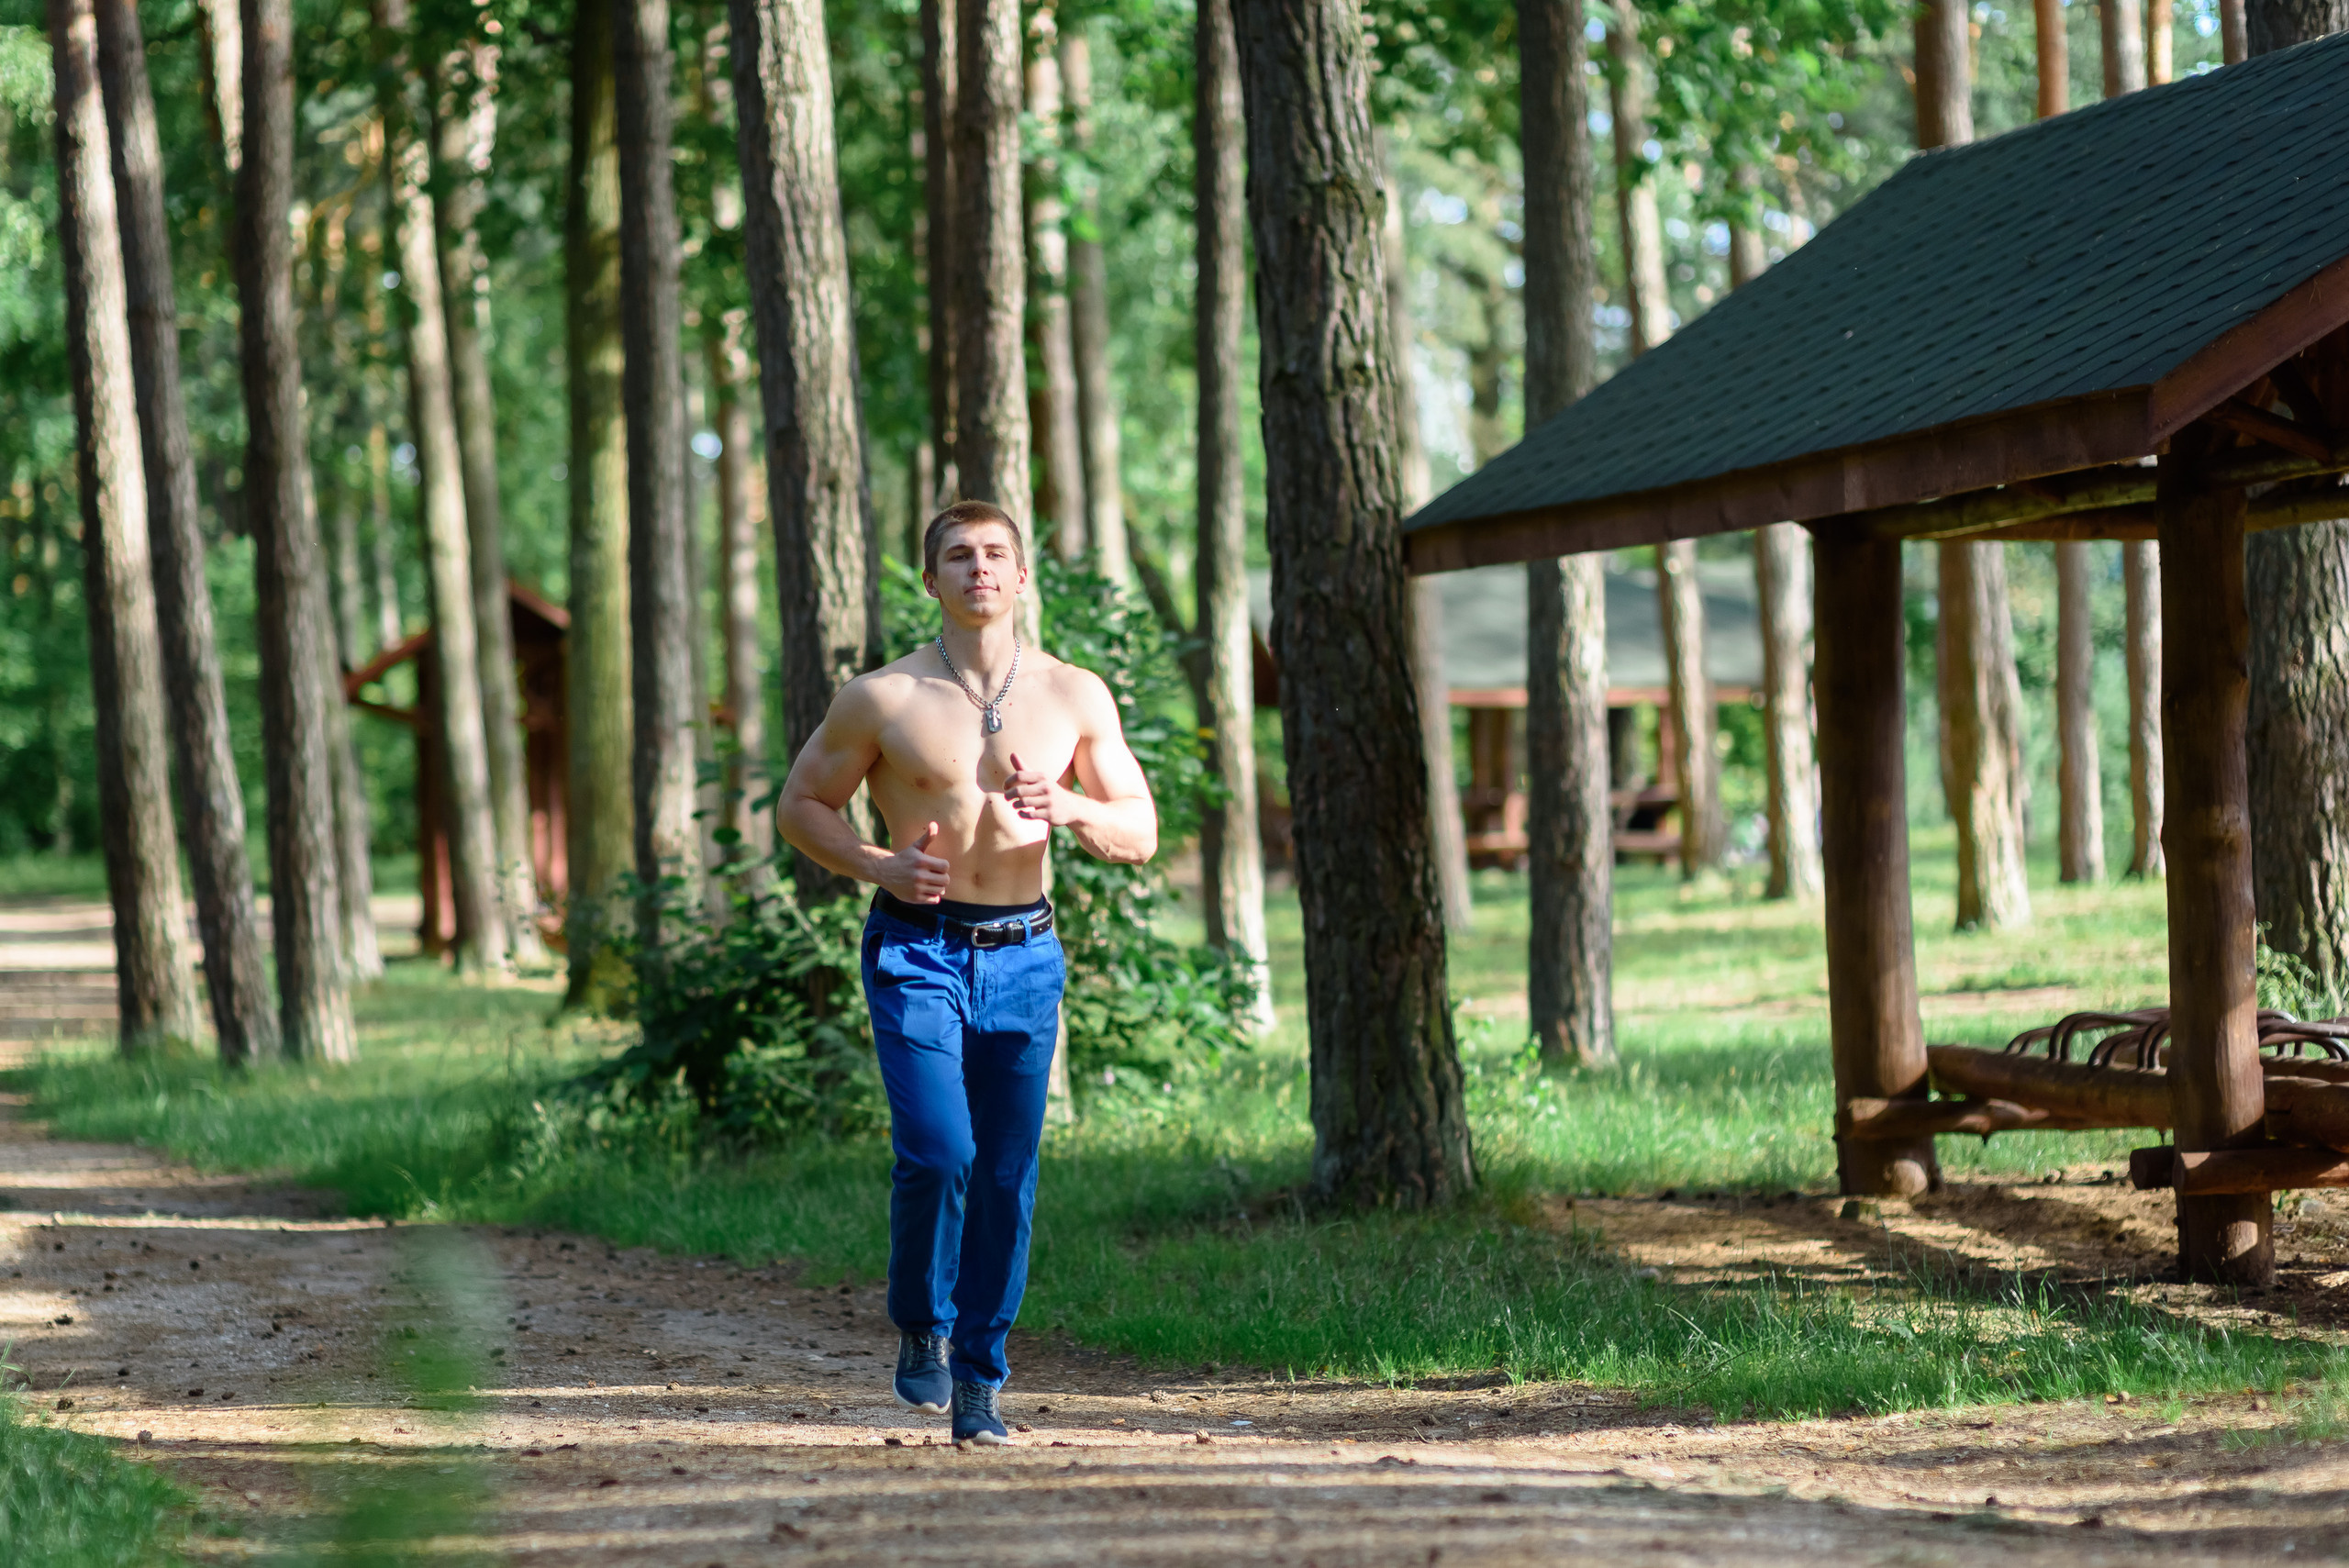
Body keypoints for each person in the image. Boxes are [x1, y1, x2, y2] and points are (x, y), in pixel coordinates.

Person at [776, 500, 1158, 1445]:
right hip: (918, 943)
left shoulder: (1076, 694)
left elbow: (1138, 833)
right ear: (931, 578)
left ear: (1022, 577)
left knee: (1005, 1175)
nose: (978, 567)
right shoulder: (884, 696)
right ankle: (922, 1321)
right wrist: (877, 863)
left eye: (995, 553)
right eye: (957, 554)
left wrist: (1068, 807)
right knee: (942, 1149)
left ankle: (982, 1375)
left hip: (1025, 950)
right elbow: (800, 805)